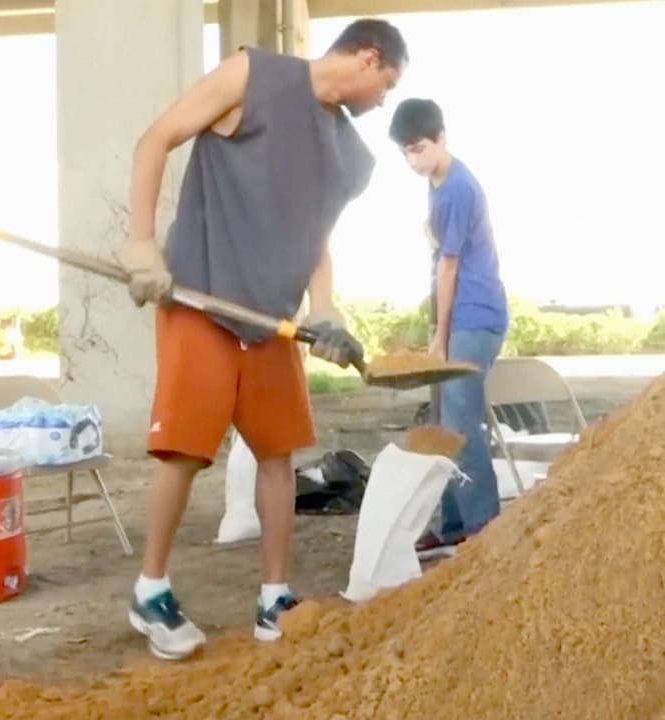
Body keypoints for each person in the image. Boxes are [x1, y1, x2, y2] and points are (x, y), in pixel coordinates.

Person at [112, 19, 408, 661]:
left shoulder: (350, 156)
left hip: (270, 318)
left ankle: (275, 597)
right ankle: (150, 588)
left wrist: (325, 311)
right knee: (185, 452)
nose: (384, 101)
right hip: (202, 294)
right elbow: (156, 139)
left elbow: (317, 237)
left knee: (279, 456)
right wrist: (140, 240)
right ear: (368, 56)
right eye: (387, 85)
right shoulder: (255, 76)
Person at [387, 98, 509, 558]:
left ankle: (484, 527)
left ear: (440, 137)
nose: (412, 160)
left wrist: (439, 337)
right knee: (442, 423)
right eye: (405, 153)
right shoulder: (437, 184)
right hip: (458, 315)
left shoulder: (457, 187)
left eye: (418, 148)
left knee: (461, 423)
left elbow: (449, 266)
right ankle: (453, 522)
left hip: (474, 315)